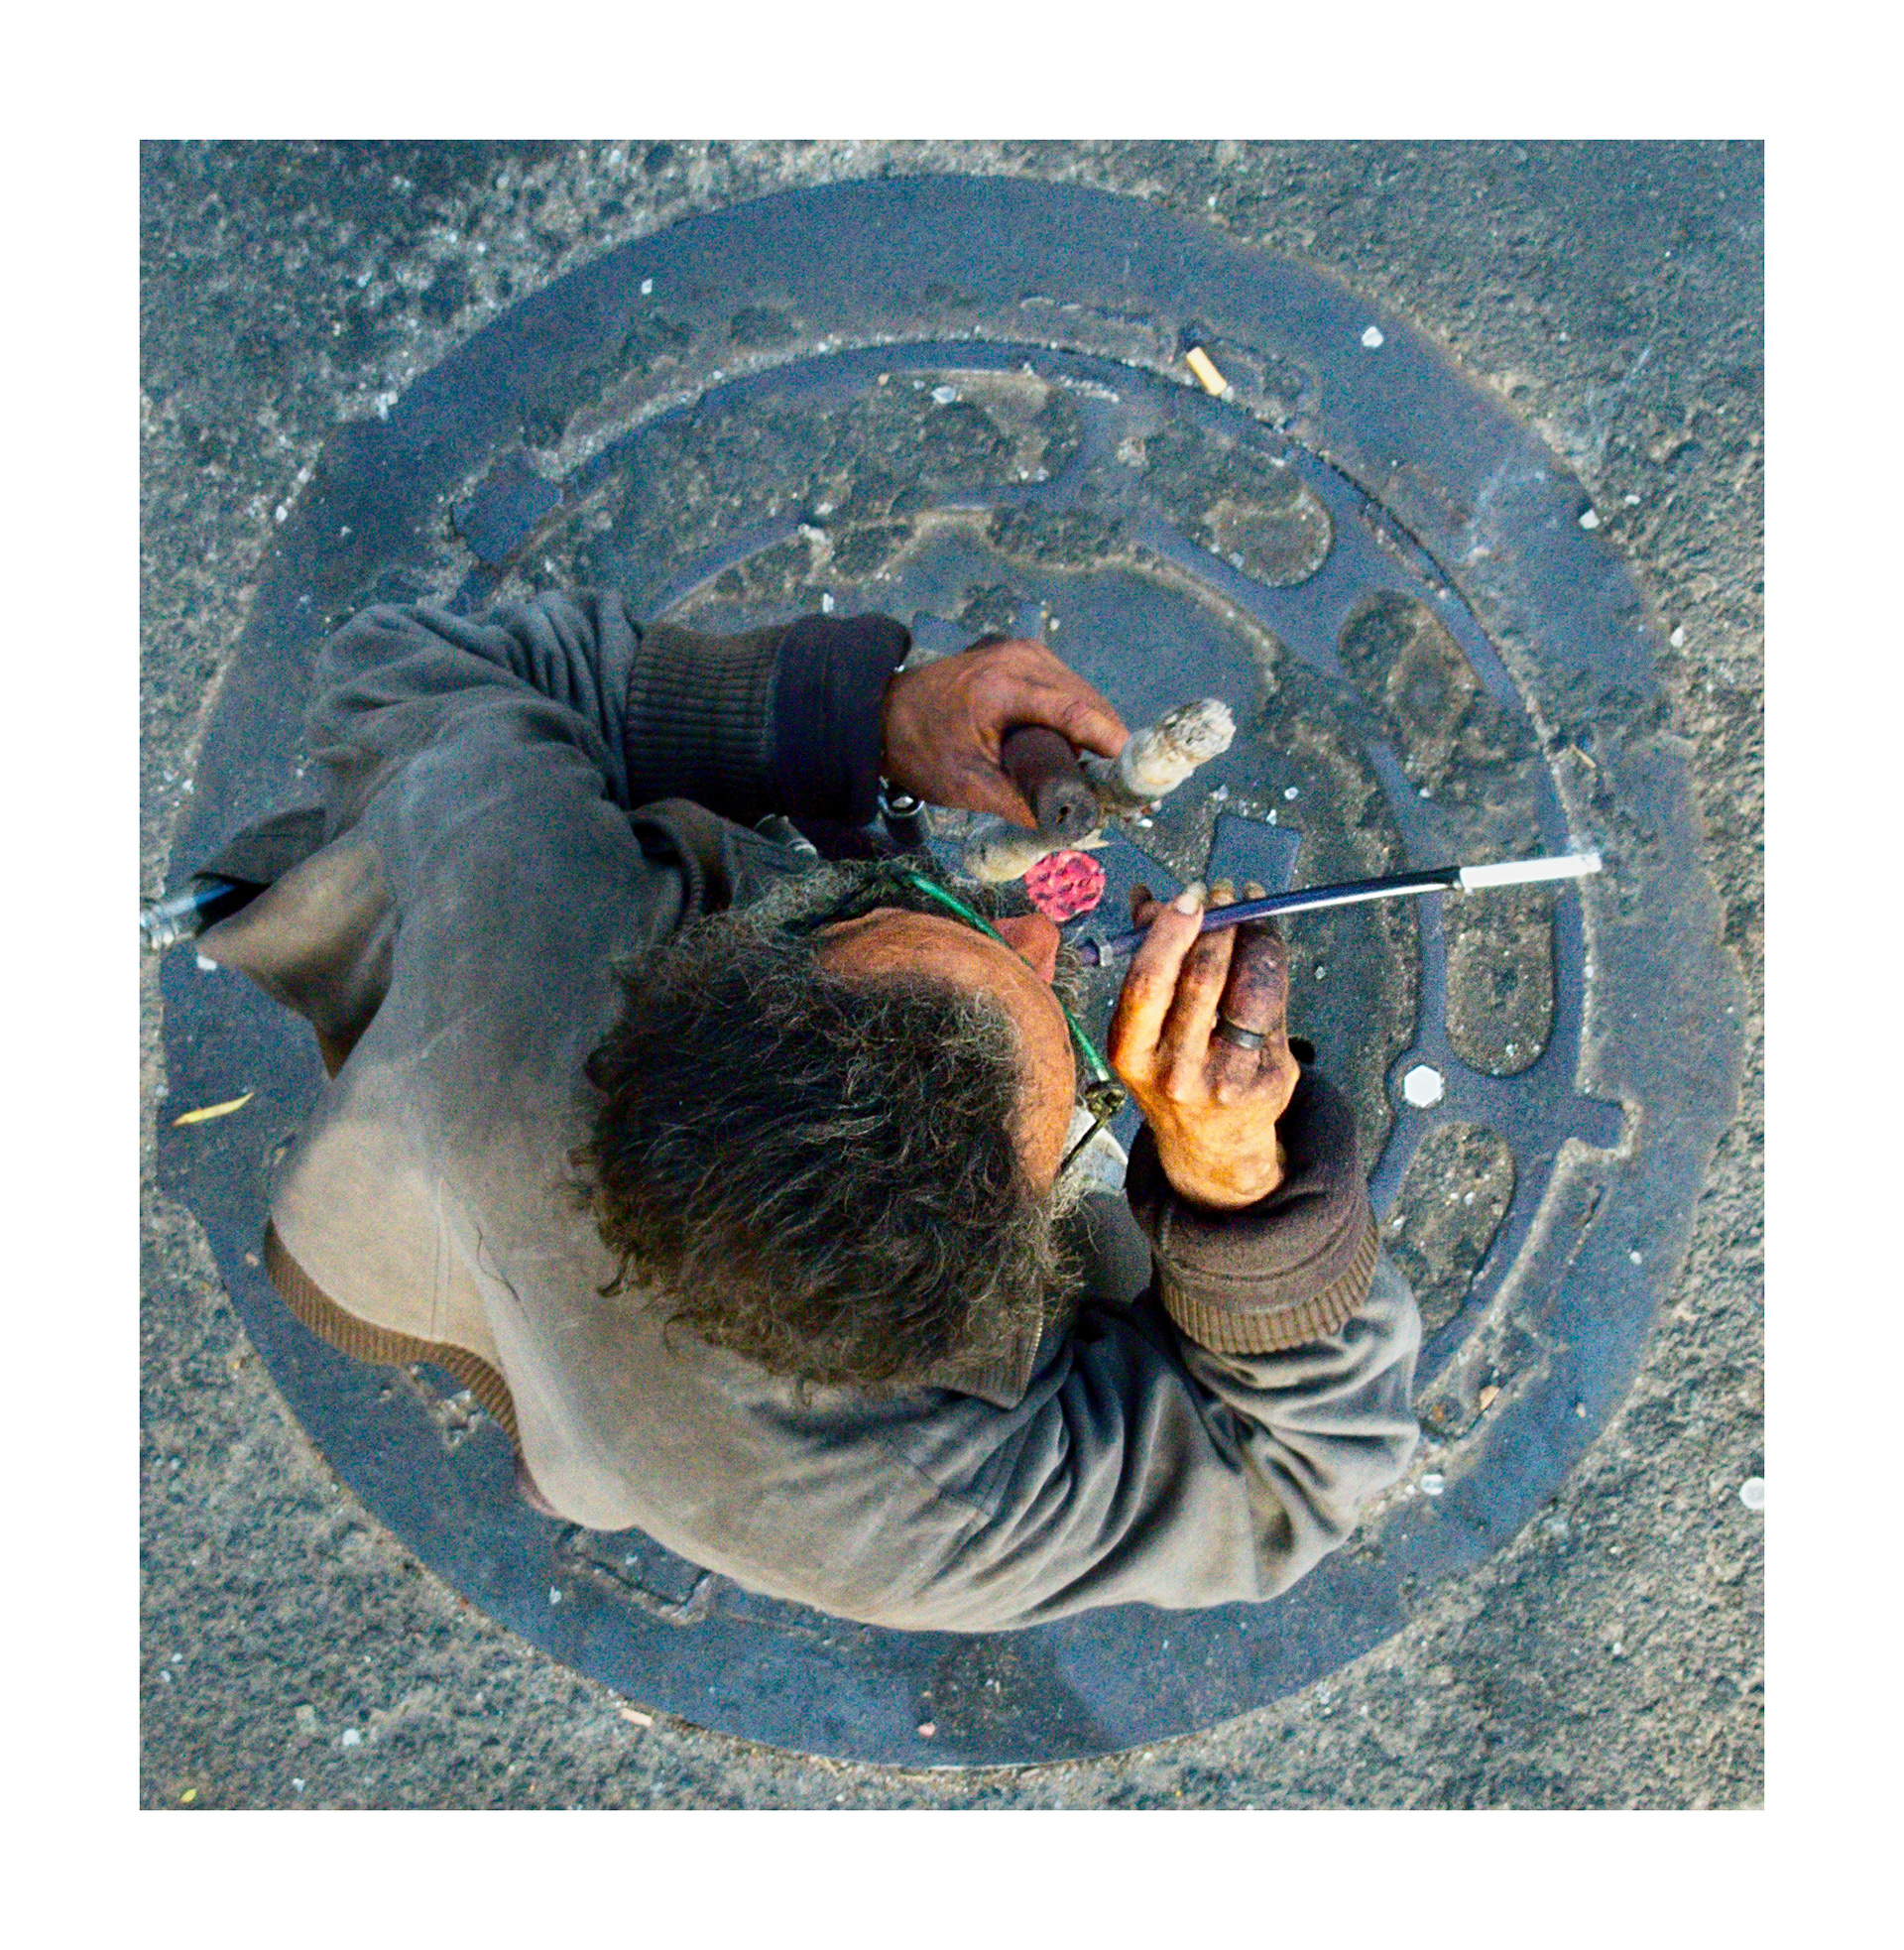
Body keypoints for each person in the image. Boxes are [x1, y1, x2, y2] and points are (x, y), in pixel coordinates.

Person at [194, 589, 1419, 1632]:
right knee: (587, 1408)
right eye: (1026, 982)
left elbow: (404, 656)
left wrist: (858, 718)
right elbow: (1297, 1478)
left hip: (409, 1223)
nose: (1042, 932)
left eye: (960, 926)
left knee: (540, 1349)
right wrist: (1235, 1188)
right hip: (643, 1426)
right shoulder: (897, 1512)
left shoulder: (529, 904)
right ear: (1013, 1268)